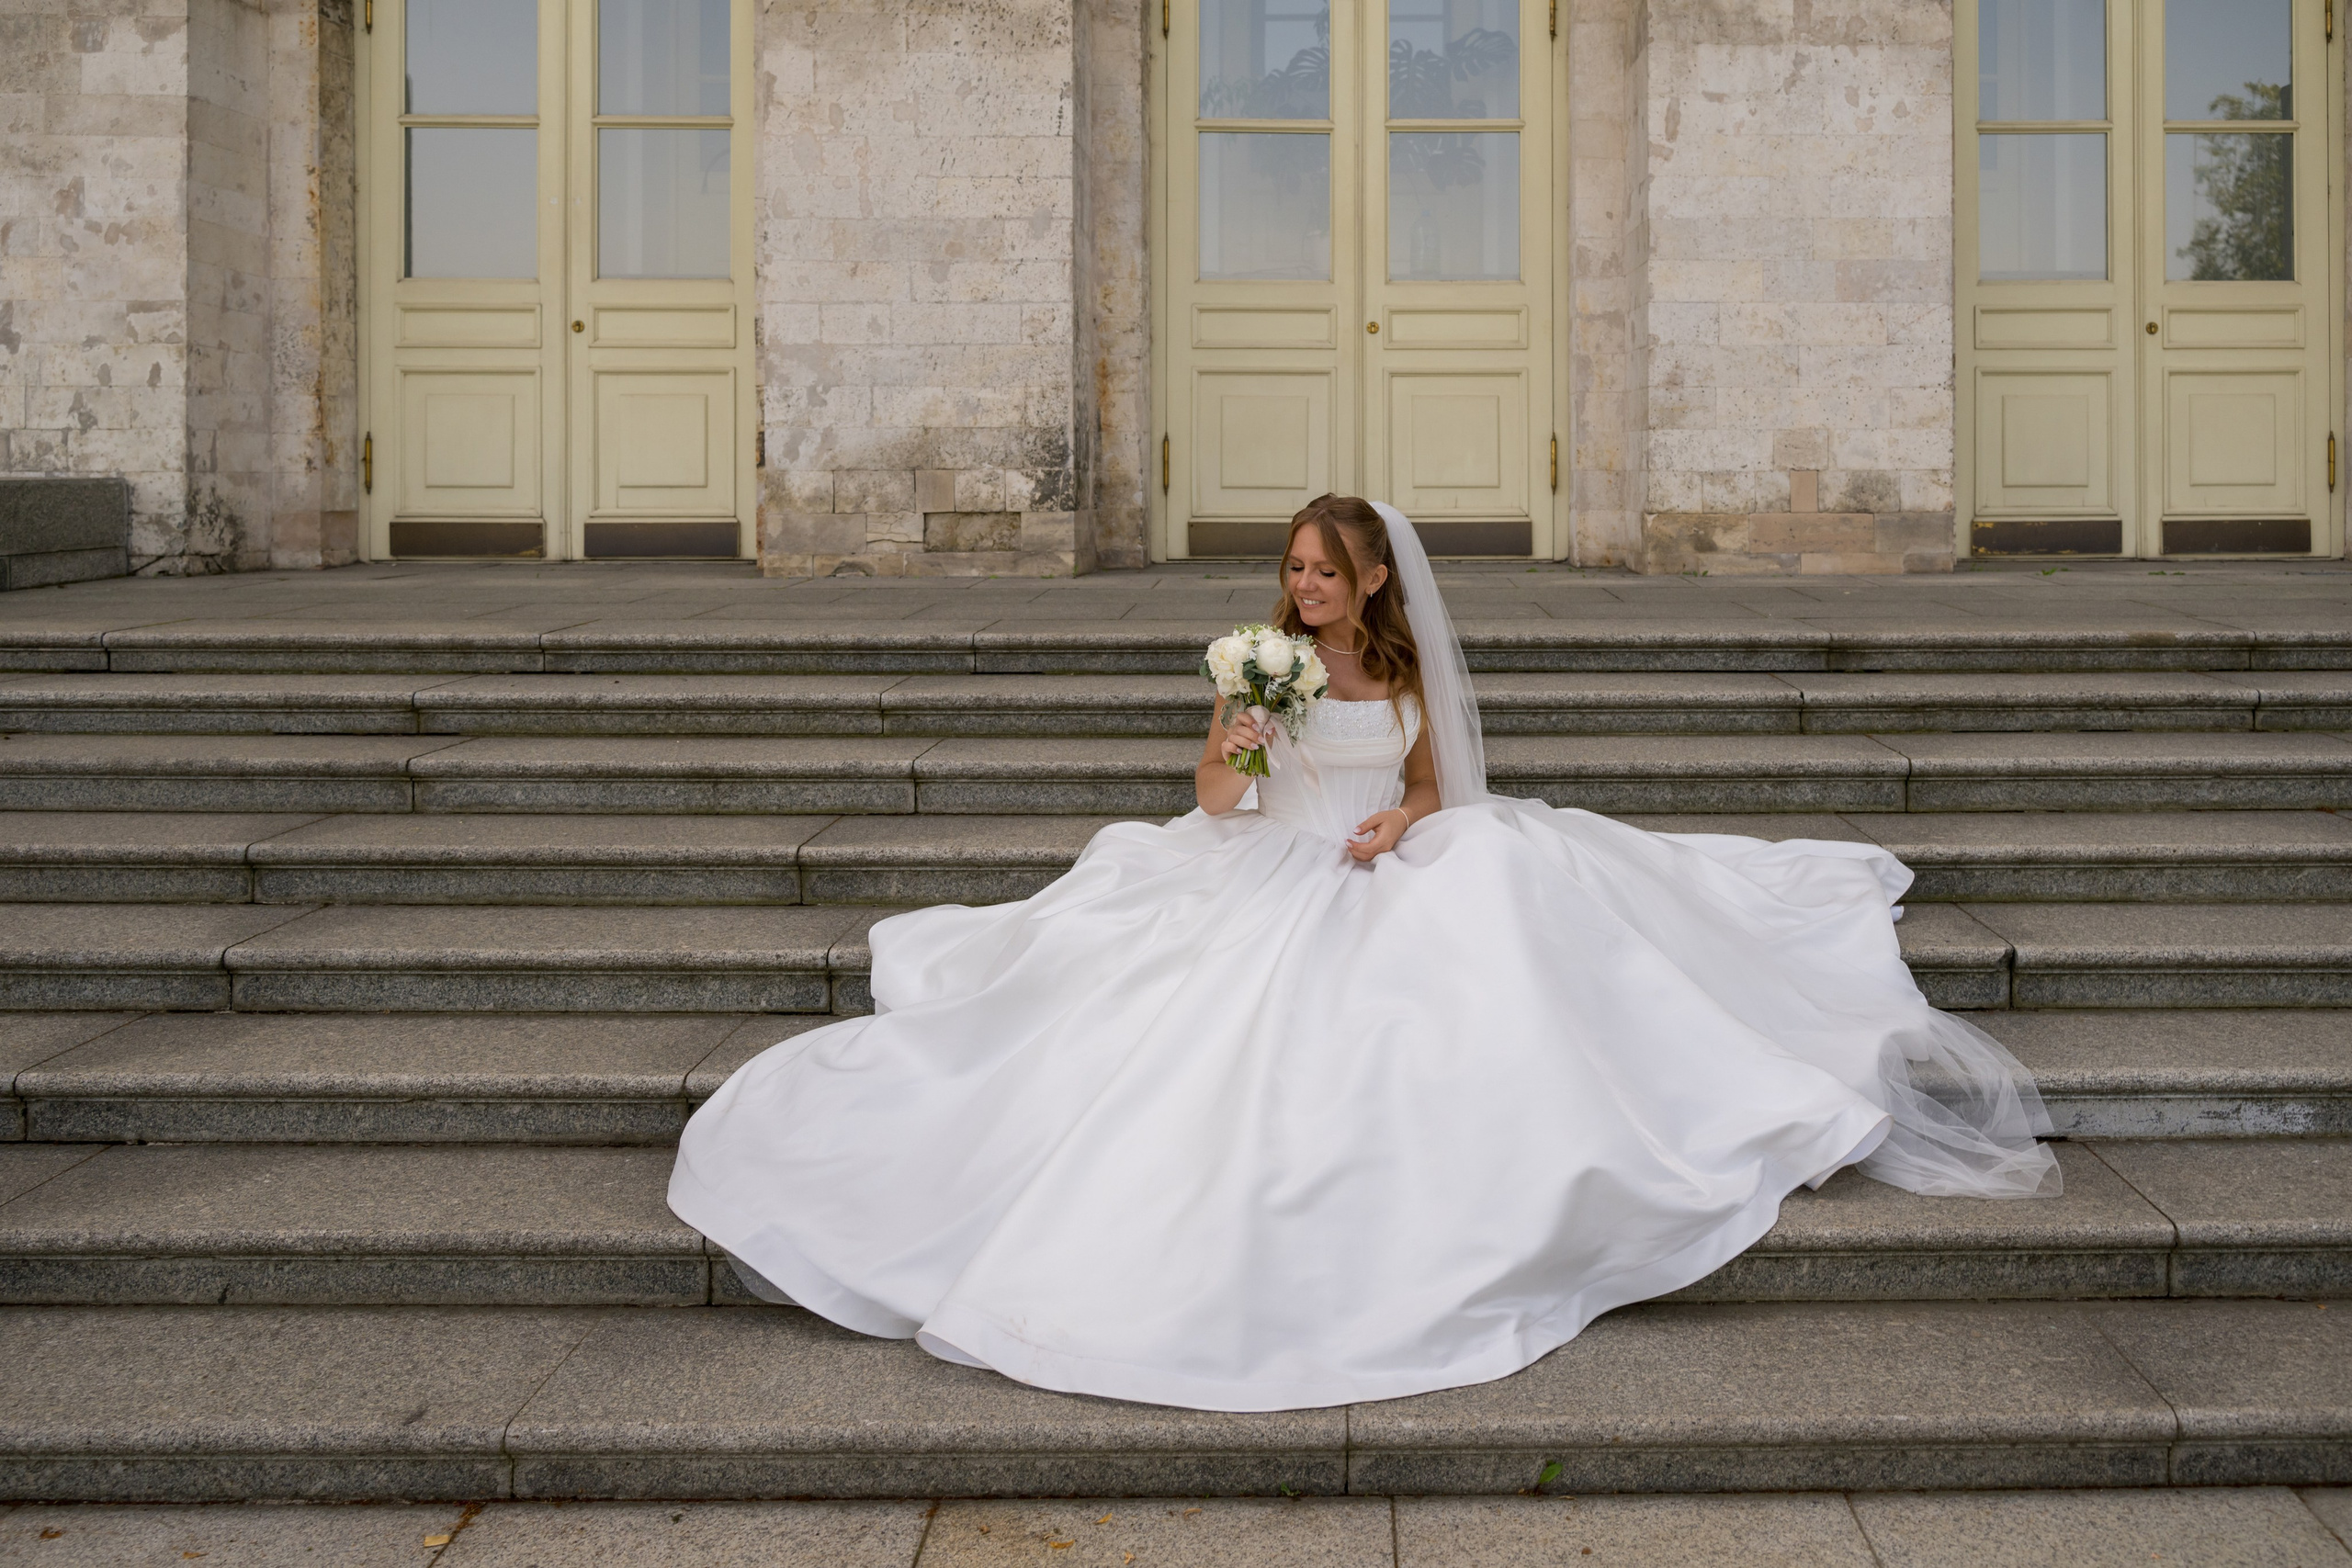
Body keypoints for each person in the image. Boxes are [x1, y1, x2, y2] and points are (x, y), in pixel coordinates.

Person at [668, 494, 2057, 1414]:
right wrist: (1242, 744)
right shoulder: (1257, 666)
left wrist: (1401, 819)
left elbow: (1442, 789)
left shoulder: (1401, 672)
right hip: (1261, 865)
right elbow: (1214, 802)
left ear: (1375, 579)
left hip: (1376, 859)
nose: (1305, 587)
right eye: (1294, 569)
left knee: (1495, 892)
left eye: (1325, 572)